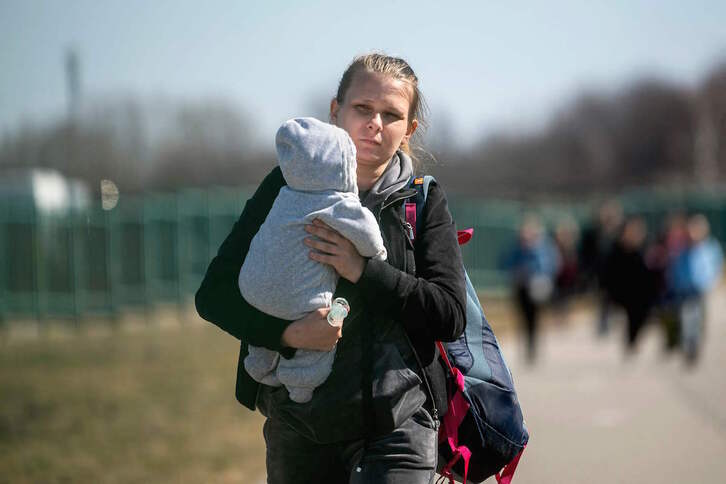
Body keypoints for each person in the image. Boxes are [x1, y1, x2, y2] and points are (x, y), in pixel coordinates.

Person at [195, 53, 467, 484]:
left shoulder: (422, 201)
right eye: (362, 108)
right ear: (335, 111)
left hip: (397, 428)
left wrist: (363, 270)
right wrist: (286, 335)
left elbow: (449, 314)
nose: (375, 123)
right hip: (298, 428)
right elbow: (213, 296)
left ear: (409, 130)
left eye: (392, 114)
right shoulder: (285, 187)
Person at [239, 116, 387, 403]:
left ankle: (258, 363)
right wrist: (377, 254)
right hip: (301, 300)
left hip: (252, 287)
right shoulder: (336, 201)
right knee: (320, 336)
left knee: (268, 323)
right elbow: (368, 235)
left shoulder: (286, 193)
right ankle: (300, 385)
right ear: (340, 163)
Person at [500, 214, 560, 363]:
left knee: (535, 317)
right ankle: (527, 346)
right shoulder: (516, 248)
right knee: (523, 317)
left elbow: (551, 265)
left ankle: (533, 346)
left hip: (537, 287)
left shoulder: (542, 248)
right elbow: (506, 264)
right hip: (521, 286)